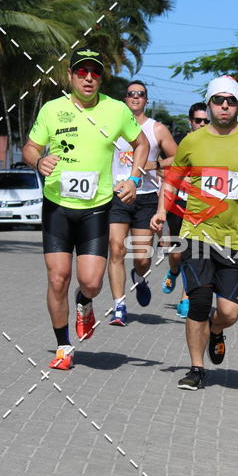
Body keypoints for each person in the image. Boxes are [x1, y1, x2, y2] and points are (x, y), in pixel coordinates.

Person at [151, 75, 238, 391]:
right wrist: (160, 211)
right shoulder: (192, 142)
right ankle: (196, 369)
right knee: (197, 303)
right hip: (196, 234)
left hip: (235, 240)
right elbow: (172, 179)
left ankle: (216, 329)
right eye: (218, 100)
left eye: (231, 100)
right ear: (209, 104)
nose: (224, 105)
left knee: (229, 312)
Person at [22, 49, 148, 370]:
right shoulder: (53, 110)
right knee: (57, 279)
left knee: (90, 282)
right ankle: (64, 346)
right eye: (82, 72)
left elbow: (141, 144)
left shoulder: (116, 110)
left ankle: (85, 301)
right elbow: (30, 147)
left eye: (95, 72)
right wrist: (38, 160)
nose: (88, 77)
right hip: (57, 207)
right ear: (71, 76)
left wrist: (134, 178)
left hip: (96, 208)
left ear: (101, 78)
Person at [107, 80, 178, 326]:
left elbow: (178, 159)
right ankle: (119, 306)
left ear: (146, 100)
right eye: (131, 94)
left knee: (143, 258)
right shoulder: (112, 126)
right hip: (117, 194)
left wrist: (153, 165)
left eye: (141, 94)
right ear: (125, 99)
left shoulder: (157, 129)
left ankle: (139, 275)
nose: (136, 97)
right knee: (116, 249)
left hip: (146, 197)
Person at [161, 101, 209, 318]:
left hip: (199, 207)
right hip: (177, 204)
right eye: (198, 120)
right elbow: (168, 166)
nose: (202, 124)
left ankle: (186, 297)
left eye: (206, 121)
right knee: (176, 251)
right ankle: (173, 270)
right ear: (191, 121)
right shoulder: (182, 144)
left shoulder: (216, 145)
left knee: (192, 252)